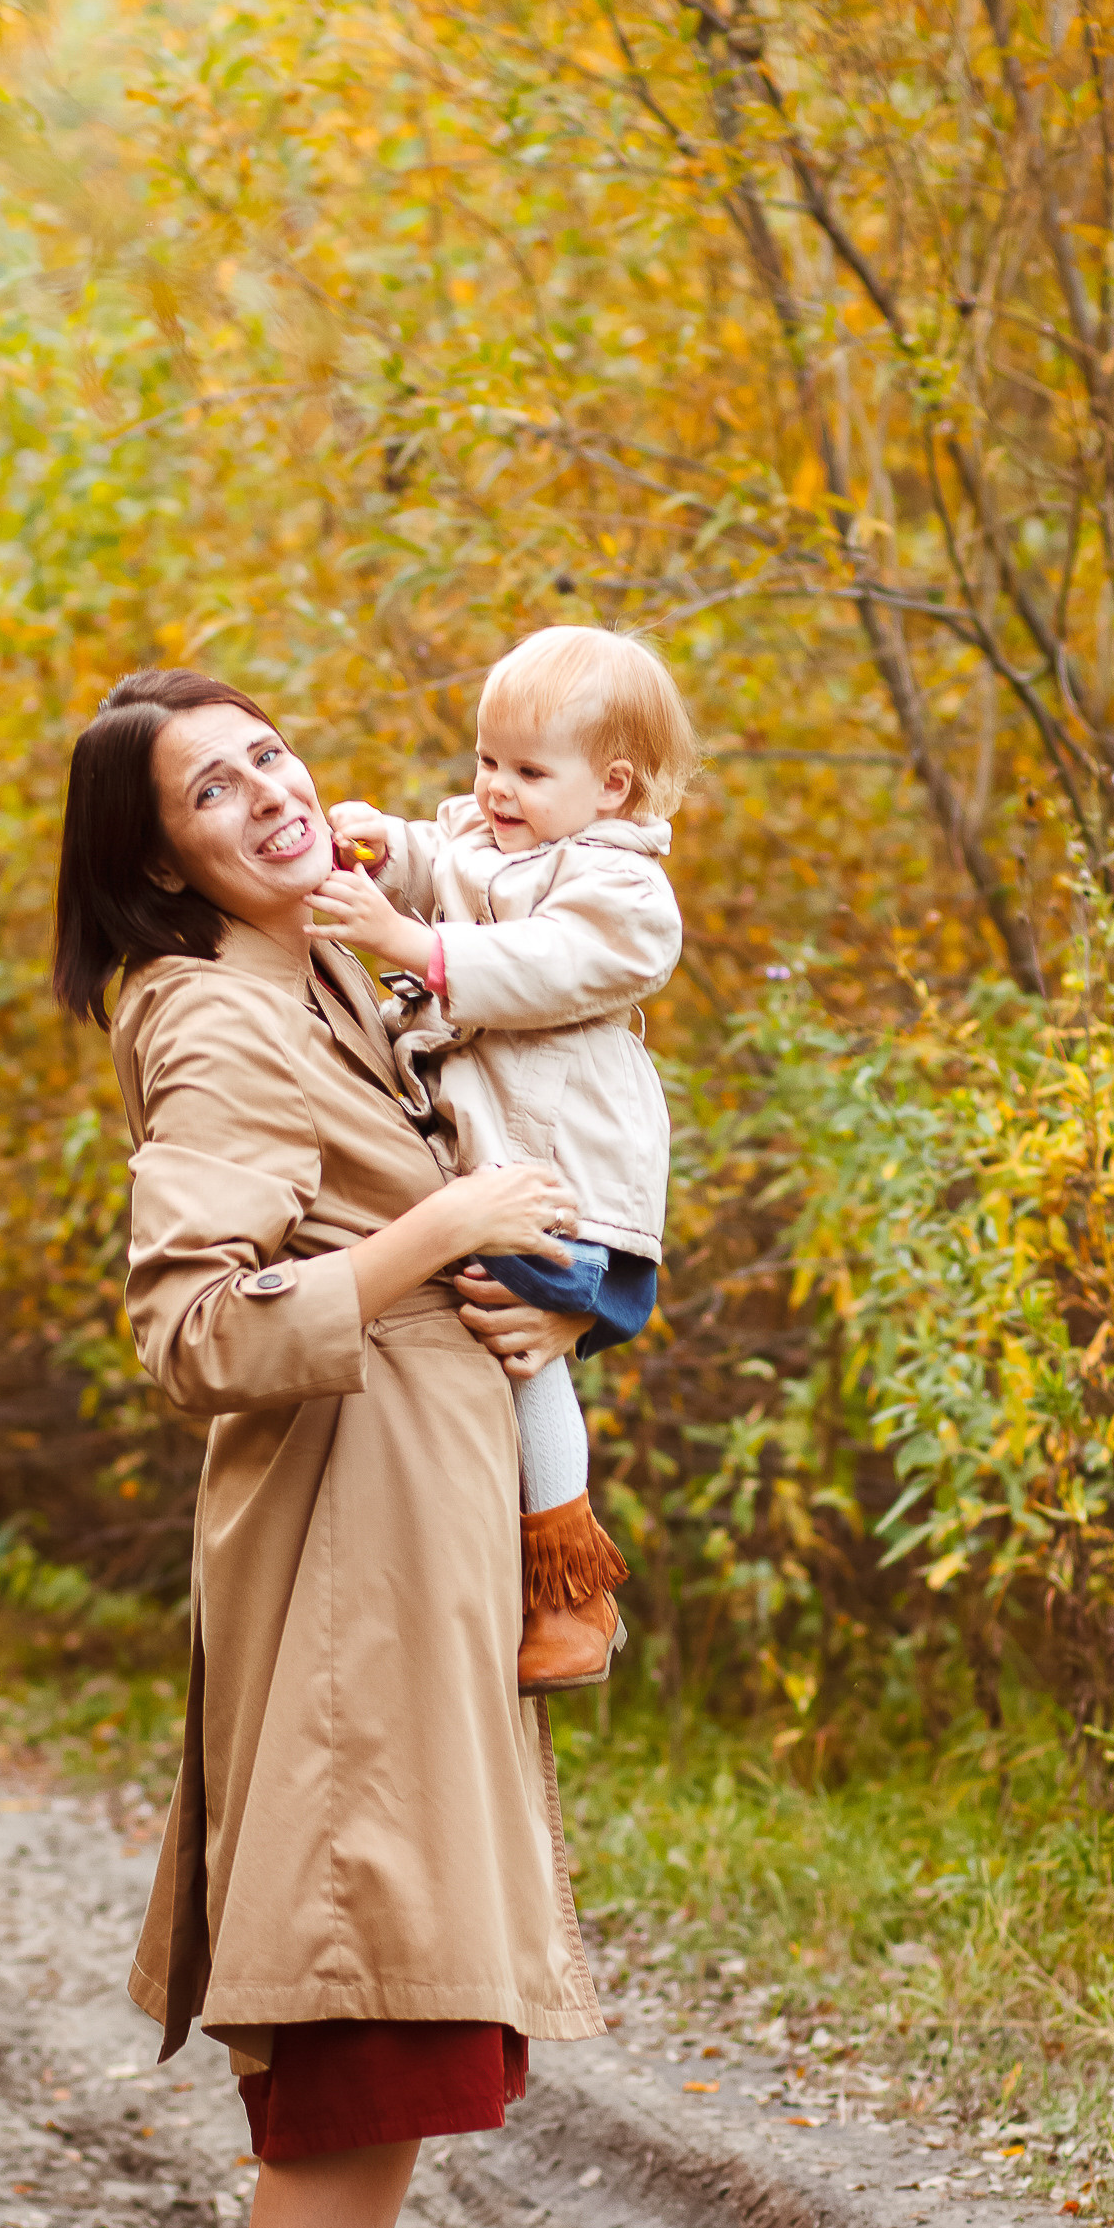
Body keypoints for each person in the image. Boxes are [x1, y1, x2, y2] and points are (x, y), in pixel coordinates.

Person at [50, 666, 604, 2228]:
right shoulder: (211, 1016)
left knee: (413, 2016)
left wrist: (512, 1302)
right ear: (159, 860)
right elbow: (195, 1328)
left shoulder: (333, 977)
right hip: (349, 1555)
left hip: (425, 1531)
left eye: (269, 754)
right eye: (215, 793)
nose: (271, 795)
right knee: (364, 2011)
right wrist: (424, 1238)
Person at [318, 625, 696, 1692]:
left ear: (612, 788)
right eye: (487, 761)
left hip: (565, 1171)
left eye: (528, 771)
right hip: (494, 1152)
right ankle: (489, 1555)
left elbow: (540, 962)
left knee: (523, 1343)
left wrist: (400, 940)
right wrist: (384, 848)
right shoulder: (497, 840)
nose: (496, 788)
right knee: (486, 1323)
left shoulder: (626, 896)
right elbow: (447, 863)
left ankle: (572, 1584)